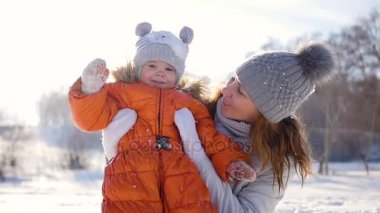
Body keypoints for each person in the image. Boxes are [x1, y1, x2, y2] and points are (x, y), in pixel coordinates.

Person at [106, 41, 337, 212]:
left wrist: (196, 153)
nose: (226, 91)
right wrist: (112, 149)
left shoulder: (275, 160)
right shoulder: (192, 111)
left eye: (241, 92)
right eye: (232, 81)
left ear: (265, 113)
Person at [68, 22, 255, 212]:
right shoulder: (122, 92)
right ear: (139, 67)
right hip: (129, 173)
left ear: (178, 74)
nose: (160, 73)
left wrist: (231, 162)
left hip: (180, 173)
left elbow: (210, 137)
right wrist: (90, 91)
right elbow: (91, 120)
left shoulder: (188, 102)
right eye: (152, 65)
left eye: (169, 69)